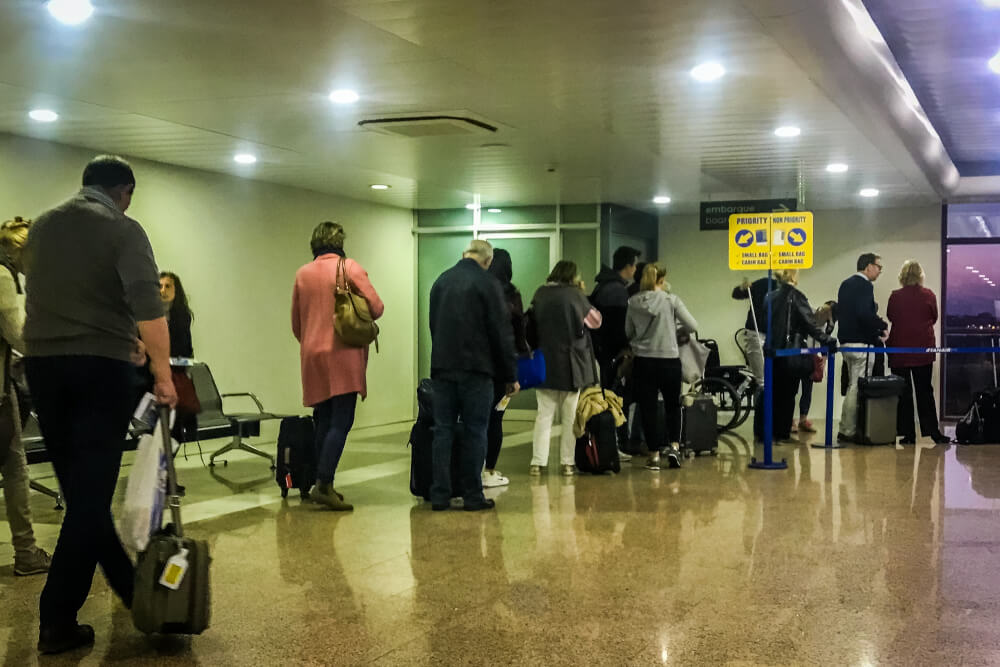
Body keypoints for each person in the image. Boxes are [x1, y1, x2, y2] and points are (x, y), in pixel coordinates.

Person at [23, 155, 177, 655]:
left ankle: (134, 598)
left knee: (82, 496)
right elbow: (149, 307)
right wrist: (162, 372)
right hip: (98, 374)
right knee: (90, 499)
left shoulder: (42, 226)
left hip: (43, 370)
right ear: (124, 190)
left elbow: (57, 298)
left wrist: (118, 336)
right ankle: (56, 619)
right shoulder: (123, 227)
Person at [292, 221, 384, 511]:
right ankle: (324, 483)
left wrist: (311, 340)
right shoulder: (350, 268)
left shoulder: (302, 274)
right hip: (342, 354)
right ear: (340, 241)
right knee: (342, 420)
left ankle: (323, 482)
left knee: (324, 417)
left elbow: (296, 323)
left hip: (312, 355)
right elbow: (377, 307)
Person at [428, 239, 518, 511]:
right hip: (477, 370)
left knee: (442, 431)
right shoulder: (487, 283)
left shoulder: (441, 281)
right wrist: (509, 374)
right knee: (475, 431)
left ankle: (440, 494)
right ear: (488, 260)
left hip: (443, 368)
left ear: (464, 254)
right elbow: (500, 333)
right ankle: (472, 495)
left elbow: (434, 324)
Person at [0, 217, 51, 577]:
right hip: (0, 394)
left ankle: (27, 550)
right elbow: (19, 335)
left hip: (6, 386)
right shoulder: (3, 277)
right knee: (15, 470)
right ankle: (26, 552)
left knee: (16, 466)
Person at [529, 260, 602, 476]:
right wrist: (583, 296)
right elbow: (595, 321)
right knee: (570, 415)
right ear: (572, 276)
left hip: (544, 362)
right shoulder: (575, 295)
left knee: (544, 415)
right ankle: (567, 462)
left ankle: (538, 462)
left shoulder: (540, 293)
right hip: (571, 364)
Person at [626, 263, 698, 470]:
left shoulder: (633, 302)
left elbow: (628, 332)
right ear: (662, 280)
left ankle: (654, 455)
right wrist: (674, 331)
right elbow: (693, 326)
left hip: (644, 362)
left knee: (647, 408)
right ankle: (674, 447)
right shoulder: (671, 300)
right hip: (669, 361)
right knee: (672, 406)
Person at [756, 270, 837, 442]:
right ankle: (782, 433)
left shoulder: (768, 297)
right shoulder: (797, 296)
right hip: (790, 351)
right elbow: (810, 324)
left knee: (771, 391)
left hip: (771, 350)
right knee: (788, 393)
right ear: (794, 276)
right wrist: (828, 340)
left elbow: (763, 323)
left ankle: (765, 433)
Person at [886, 260, 950, 445]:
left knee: (903, 393)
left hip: (899, 350)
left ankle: (907, 434)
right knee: (925, 391)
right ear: (920, 276)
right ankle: (933, 432)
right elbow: (934, 317)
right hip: (923, 348)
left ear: (902, 276)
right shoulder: (928, 295)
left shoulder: (895, 296)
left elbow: (891, 316)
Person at [484, 249, 529, 488]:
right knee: (495, 418)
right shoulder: (510, 294)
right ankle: (489, 471)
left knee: (476, 419)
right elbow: (516, 333)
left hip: (477, 364)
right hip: (501, 367)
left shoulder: (478, 289)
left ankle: (472, 469)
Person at [836, 253, 888, 443]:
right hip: (861, 344)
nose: (879, 271)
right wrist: (882, 326)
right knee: (855, 388)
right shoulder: (865, 285)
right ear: (868, 266)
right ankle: (848, 430)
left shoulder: (845, 284)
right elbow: (864, 314)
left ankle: (846, 427)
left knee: (851, 385)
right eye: (878, 267)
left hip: (846, 342)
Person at [590, 246, 640, 387]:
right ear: (628, 266)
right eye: (634, 265)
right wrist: (624, 348)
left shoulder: (604, 285)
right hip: (611, 352)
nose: (635, 269)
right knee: (614, 394)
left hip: (601, 349)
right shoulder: (616, 291)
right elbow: (617, 324)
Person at [792, 301, 837, 433]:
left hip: (810, 357)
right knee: (792, 388)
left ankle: (803, 419)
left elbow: (824, 338)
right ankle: (789, 419)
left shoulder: (825, 324)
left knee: (807, 389)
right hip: (796, 353)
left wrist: (824, 356)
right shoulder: (807, 310)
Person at [732, 275, 774, 382]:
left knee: (773, 380)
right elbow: (736, 294)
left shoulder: (789, 293)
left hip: (773, 336)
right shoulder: (765, 283)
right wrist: (743, 288)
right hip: (757, 333)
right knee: (761, 380)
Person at [159, 271, 193, 358]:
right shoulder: (147, 313)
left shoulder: (184, 316)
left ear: (176, 290)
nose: (163, 290)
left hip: (175, 364)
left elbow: (186, 348)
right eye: (160, 286)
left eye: (167, 286)